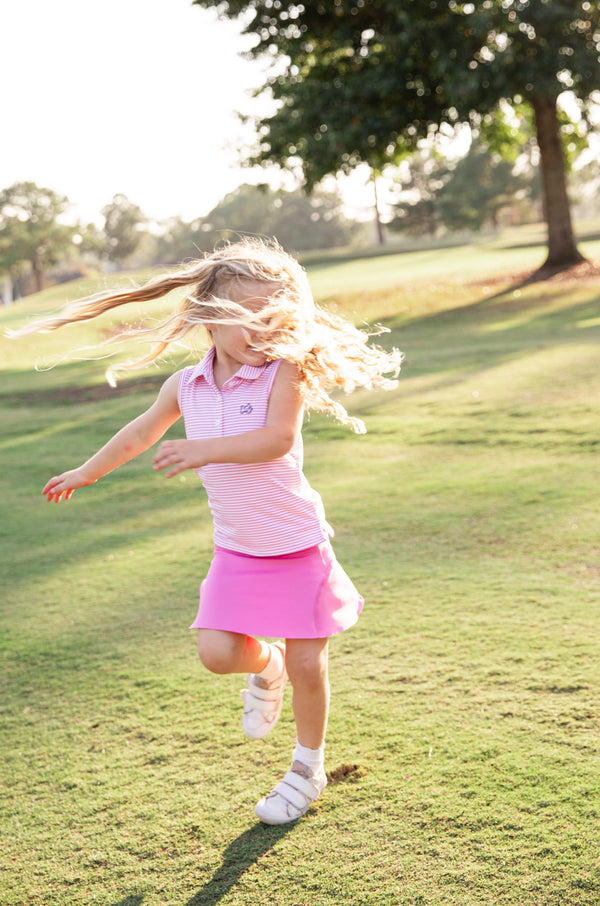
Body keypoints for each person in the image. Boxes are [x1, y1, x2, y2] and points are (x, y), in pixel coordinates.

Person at [12, 239, 402, 825]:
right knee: (218, 654)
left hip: (297, 546)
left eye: (277, 320)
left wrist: (203, 450)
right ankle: (263, 668)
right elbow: (140, 433)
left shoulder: (283, 374)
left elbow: (276, 440)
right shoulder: (186, 386)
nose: (264, 334)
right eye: (251, 321)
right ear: (211, 318)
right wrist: (89, 471)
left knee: (308, 664)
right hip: (238, 550)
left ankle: (307, 767)